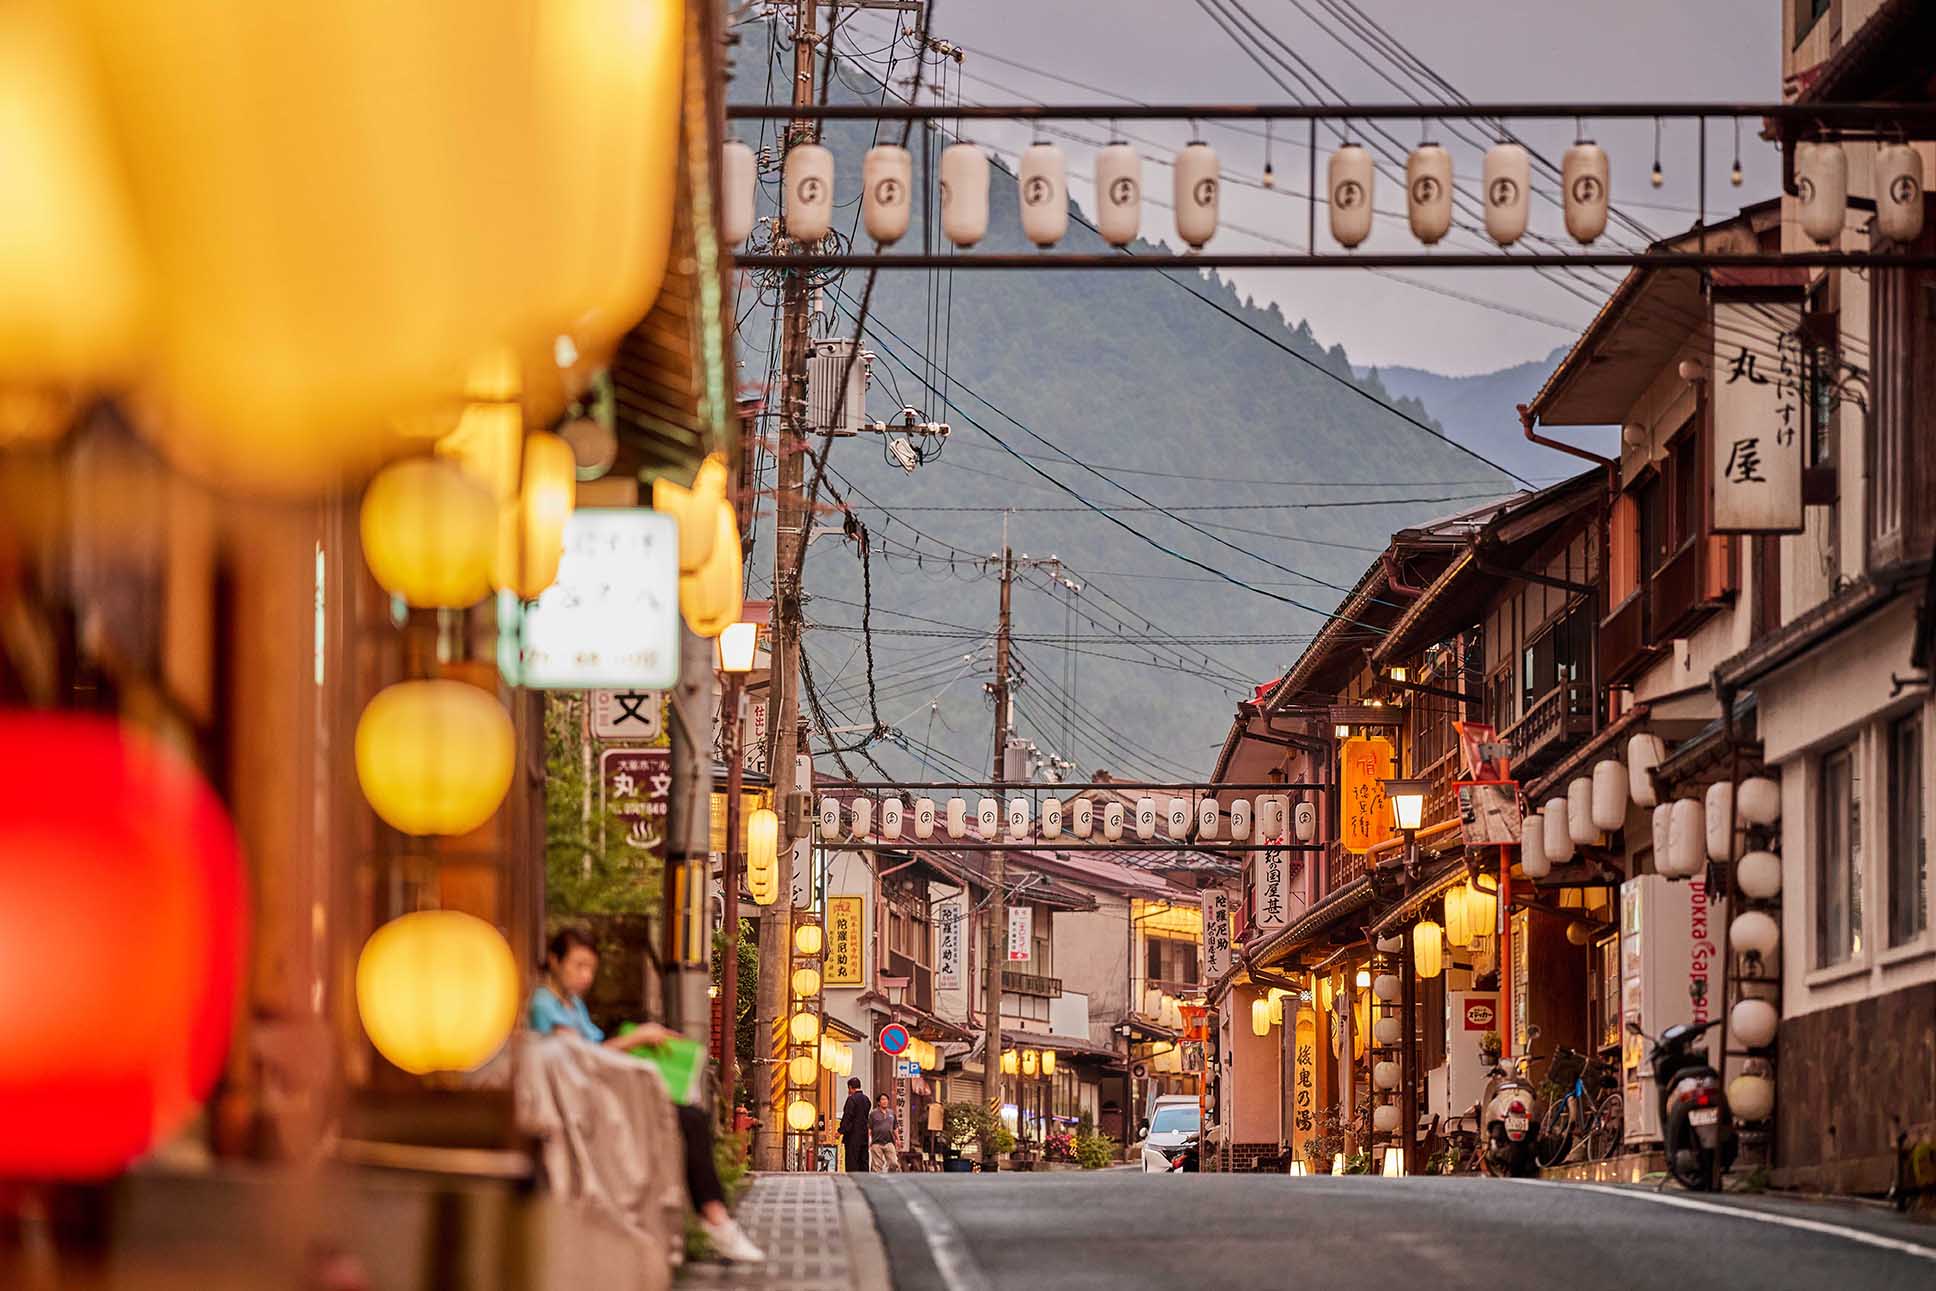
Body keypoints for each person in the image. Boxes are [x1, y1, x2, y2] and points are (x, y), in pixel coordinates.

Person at [530, 927, 763, 1264]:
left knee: (690, 1117)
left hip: (600, 1095)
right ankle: (715, 1220)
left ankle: (714, 1220)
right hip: (579, 1104)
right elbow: (579, 1057)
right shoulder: (544, 1004)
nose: (585, 976)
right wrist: (637, 1038)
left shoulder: (572, 1004)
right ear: (554, 960)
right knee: (688, 1120)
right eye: (578, 965)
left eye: (590, 969)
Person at [837, 1077, 870, 1173]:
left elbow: (848, 1116)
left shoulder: (851, 1099)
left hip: (853, 1135)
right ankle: (864, 1179)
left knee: (852, 1160)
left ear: (850, 1087)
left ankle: (853, 1180)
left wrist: (840, 1130)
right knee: (863, 1159)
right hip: (864, 1134)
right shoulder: (866, 1100)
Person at [868, 1099, 899, 1173]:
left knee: (894, 1163)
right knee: (877, 1166)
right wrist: (869, 1139)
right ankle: (876, 1182)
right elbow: (869, 1128)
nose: (885, 1101)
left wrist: (898, 1139)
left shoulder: (891, 1113)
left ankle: (891, 1177)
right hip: (876, 1142)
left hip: (889, 1142)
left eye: (886, 1100)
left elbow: (895, 1127)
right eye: (883, 1099)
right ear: (879, 1102)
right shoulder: (873, 1113)